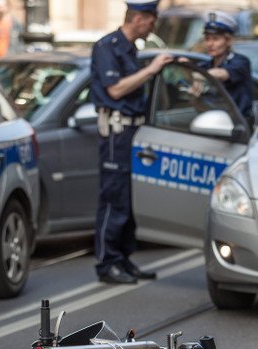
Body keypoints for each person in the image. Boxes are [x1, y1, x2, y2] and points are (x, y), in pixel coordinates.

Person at [90, 0, 173, 284]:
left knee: (127, 198)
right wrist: (151, 70)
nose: (153, 26)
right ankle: (107, 262)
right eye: (151, 20)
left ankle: (123, 259)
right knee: (114, 197)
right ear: (138, 18)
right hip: (116, 132)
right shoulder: (107, 47)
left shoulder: (130, 49)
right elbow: (115, 90)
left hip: (133, 132)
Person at [198, 11, 253, 125]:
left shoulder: (241, 62)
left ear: (228, 41)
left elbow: (221, 74)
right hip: (212, 124)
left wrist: (197, 74)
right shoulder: (204, 65)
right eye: (207, 38)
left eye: (215, 39)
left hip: (238, 127)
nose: (210, 44)